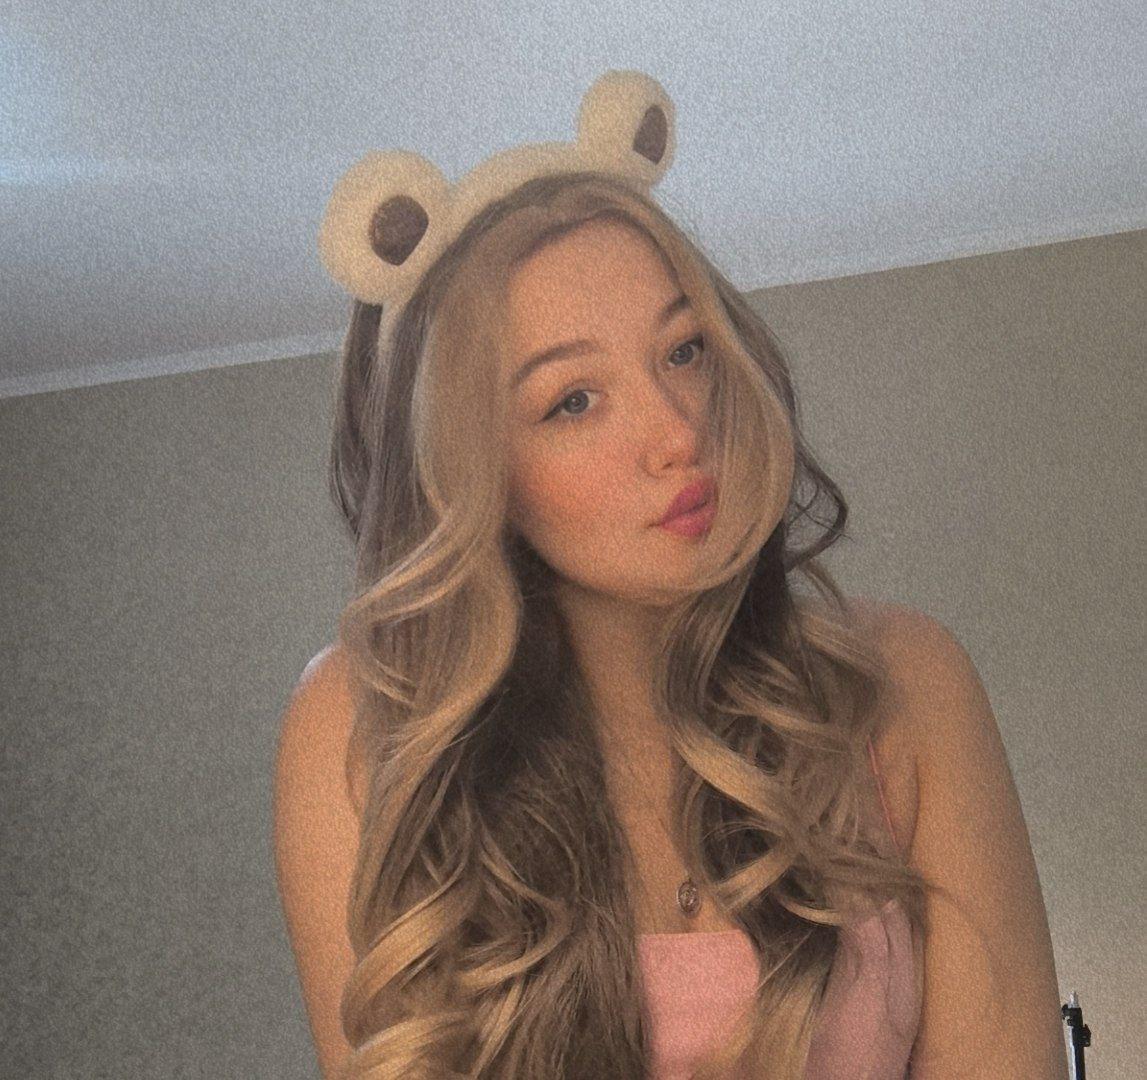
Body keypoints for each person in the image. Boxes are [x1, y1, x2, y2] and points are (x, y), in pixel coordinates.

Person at [272, 70, 1067, 1079]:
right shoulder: (363, 725)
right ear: (471, 476)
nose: (677, 430)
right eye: (572, 401)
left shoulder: (900, 683)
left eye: (684, 351)